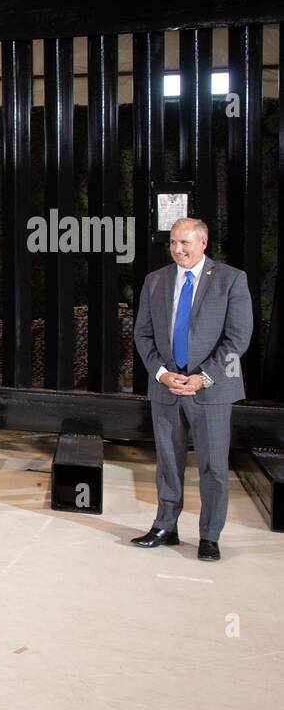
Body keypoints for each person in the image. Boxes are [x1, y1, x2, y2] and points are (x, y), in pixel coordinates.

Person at [130, 217, 253, 562]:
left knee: (213, 467)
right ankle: (165, 527)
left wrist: (204, 377)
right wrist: (160, 373)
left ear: (203, 243)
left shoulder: (231, 280)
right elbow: (143, 334)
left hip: (211, 391)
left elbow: (238, 338)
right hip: (167, 388)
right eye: (173, 243)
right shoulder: (155, 281)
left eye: (185, 243)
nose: (178, 249)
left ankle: (209, 537)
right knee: (168, 462)